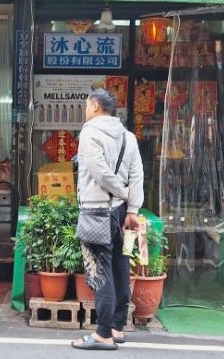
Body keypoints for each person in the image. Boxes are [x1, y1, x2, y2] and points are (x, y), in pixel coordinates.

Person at [71, 89, 144, 351]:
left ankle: (103, 334)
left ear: (94, 106)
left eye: (86, 105)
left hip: (96, 212)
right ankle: (117, 326)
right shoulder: (129, 137)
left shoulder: (89, 132)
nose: (85, 110)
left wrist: (121, 193)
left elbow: (98, 171)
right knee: (120, 267)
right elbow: (137, 175)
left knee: (100, 271)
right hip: (123, 212)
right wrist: (132, 207)